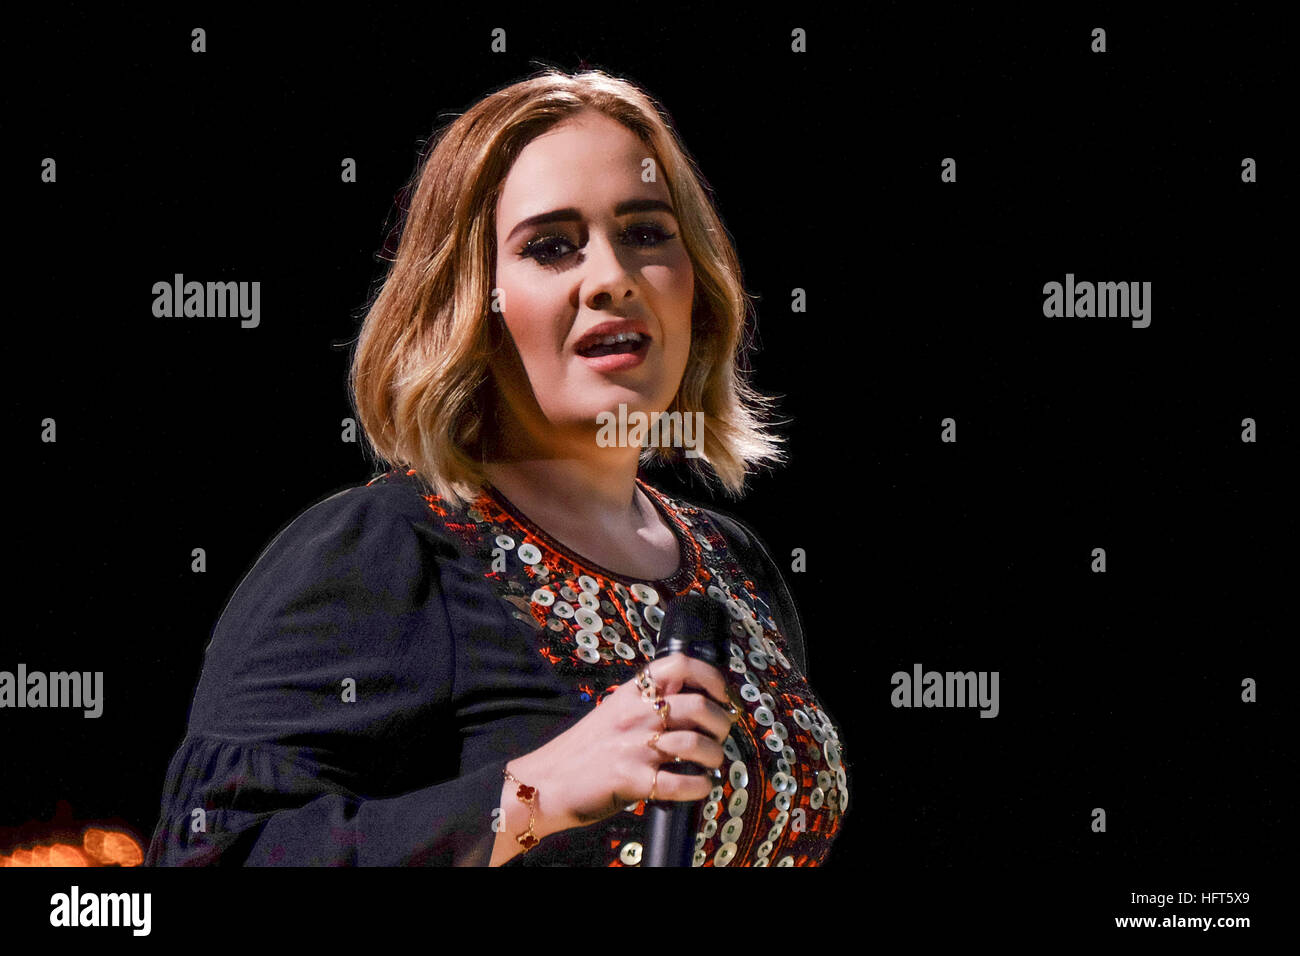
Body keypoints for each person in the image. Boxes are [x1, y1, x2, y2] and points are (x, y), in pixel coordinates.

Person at [144, 68, 849, 867]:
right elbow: (210, 855)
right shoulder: (383, 553)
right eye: (551, 246)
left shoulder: (735, 565)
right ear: (470, 299)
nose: (612, 275)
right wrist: (533, 795)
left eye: (648, 232)